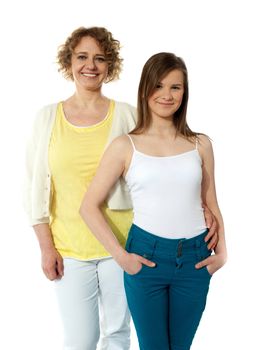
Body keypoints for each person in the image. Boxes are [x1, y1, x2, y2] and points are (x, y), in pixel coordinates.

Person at [24, 26, 218, 350]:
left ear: (110, 65)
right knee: (80, 339)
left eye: (100, 58)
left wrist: (205, 207)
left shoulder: (128, 115)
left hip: (126, 242)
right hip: (69, 248)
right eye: (82, 57)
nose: (91, 65)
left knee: (117, 334)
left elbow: (163, 165)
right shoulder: (47, 118)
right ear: (68, 62)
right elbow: (32, 187)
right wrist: (45, 246)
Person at [80, 52, 227, 350]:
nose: (167, 95)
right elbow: (88, 206)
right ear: (145, 89)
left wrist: (222, 254)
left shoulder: (201, 144)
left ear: (185, 93)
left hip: (195, 259)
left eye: (176, 87)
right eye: (158, 86)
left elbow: (211, 202)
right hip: (146, 257)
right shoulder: (125, 146)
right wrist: (122, 258)